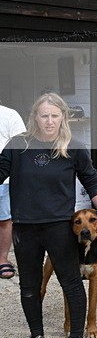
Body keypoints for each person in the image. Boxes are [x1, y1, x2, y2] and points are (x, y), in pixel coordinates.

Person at [0, 92, 97, 338]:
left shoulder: (73, 147)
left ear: (63, 117)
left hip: (58, 227)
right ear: (35, 117)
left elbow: (91, 180)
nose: (49, 121)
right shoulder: (18, 145)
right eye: (44, 115)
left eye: (54, 116)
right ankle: (36, 335)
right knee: (29, 286)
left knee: (71, 282)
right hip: (25, 227)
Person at [0, 101, 26, 280]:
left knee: (4, 220)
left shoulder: (10, 115)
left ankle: (2, 258)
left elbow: (21, 147)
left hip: (4, 178)